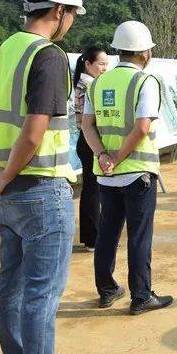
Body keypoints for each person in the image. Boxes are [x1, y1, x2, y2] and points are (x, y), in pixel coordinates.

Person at [0, 0, 85, 354]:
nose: (70, 23)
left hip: (7, 195)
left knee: (12, 285)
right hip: (41, 191)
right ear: (59, 10)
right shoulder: (48, 56)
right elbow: (35, 130)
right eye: (72, 14)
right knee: (42, 293)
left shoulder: (4, 54)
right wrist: (3, 176)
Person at [82, 20, 173, 315]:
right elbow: (143, 126)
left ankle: (107, 290)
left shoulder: (98, 83)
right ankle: (141, 295)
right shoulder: (145, 81)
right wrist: (119, 157)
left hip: (107, 175)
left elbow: (87, 124)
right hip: (137, 173)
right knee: (139, 235)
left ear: (119, 50)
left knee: (107, 233)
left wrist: (103, 156)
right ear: (145, 52)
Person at [73, 47, 109, 252]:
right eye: (101, 64)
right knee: (93, 190)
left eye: (106, 64)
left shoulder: (87, 83)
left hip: (86, 140)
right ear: (88, 64)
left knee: (91, 189)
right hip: (89, 141)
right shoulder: (89, 86)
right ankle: (93, 238)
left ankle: (92, 237)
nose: (105, 68)